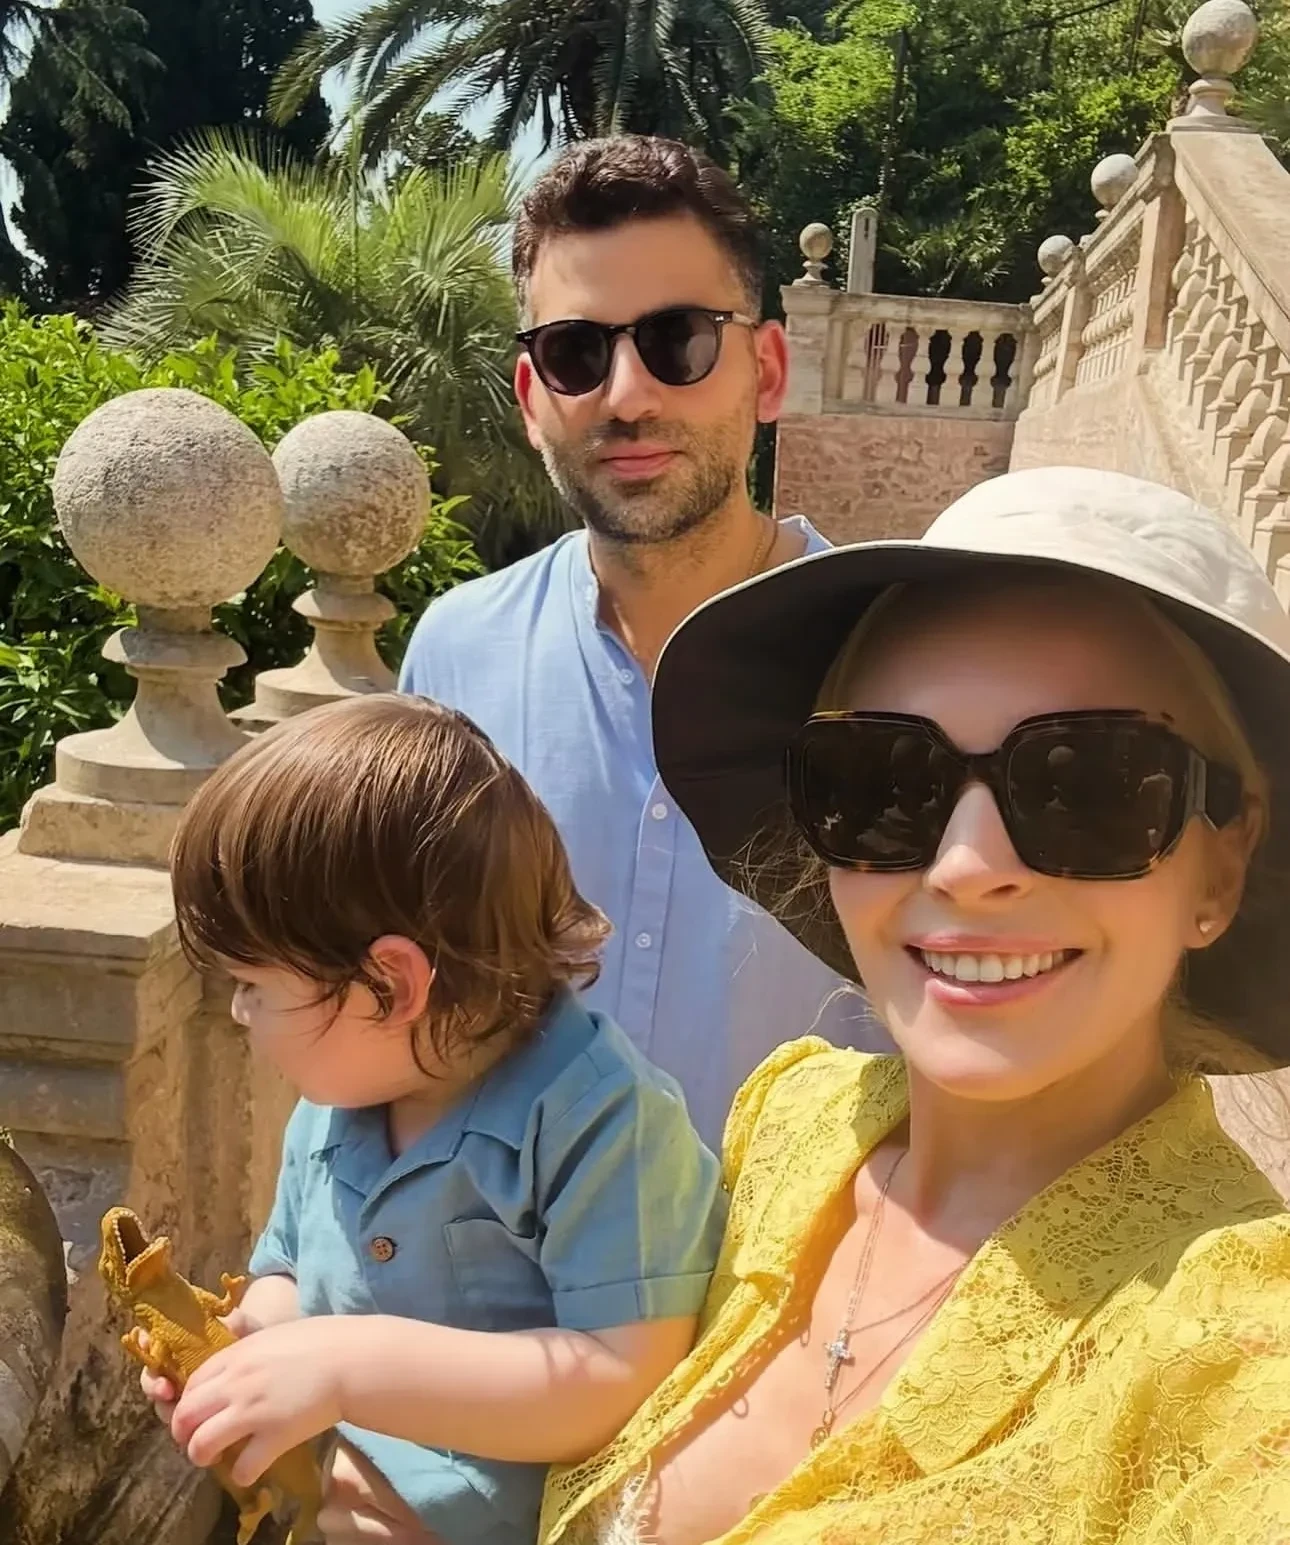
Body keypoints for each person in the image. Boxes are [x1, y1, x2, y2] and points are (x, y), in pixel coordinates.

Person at [540, 466, 1290, 1545]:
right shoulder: (792, 1122)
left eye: (1086, 787)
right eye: (885, 784)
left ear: (1222, 864)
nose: (968, 865)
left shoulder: (1237, 1359)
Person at [139, 694, 725, 1545]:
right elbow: (294, 1275)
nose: (238, 1012)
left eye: (255, 984)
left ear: (391, 984)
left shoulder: (602, 1121)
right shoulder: (334, 1108)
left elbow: (621, 1374)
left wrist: (345, 1367)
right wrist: (244, 1350)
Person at [398, 135, 880, 1151]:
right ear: (532, 398)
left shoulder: (898, 672)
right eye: (576, 352)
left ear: (768, 370)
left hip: (799, 1256)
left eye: (679, 339)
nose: (626, 395)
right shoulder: (456, 661)